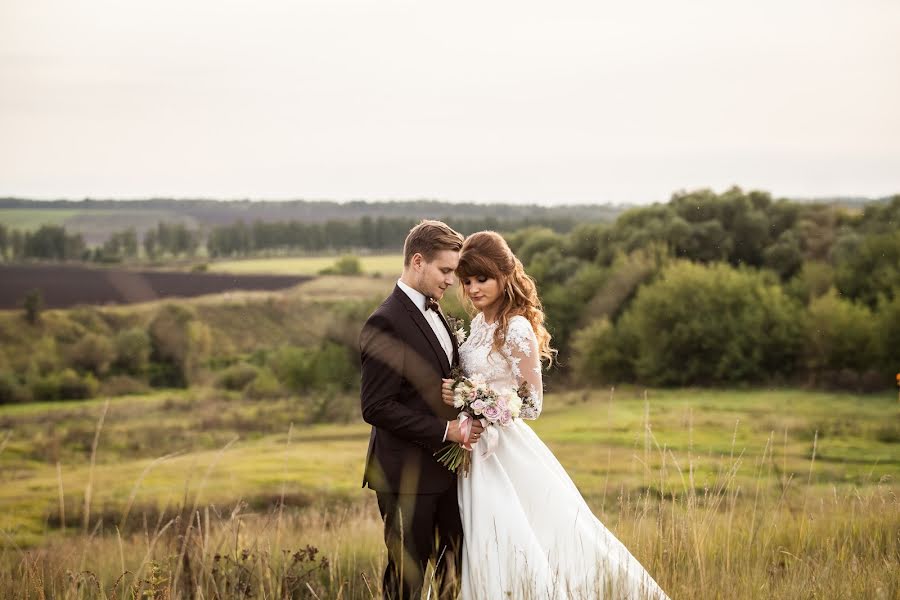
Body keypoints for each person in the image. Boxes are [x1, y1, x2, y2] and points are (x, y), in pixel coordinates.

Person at [442, 231, 670, 599]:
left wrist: (484, 406)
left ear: (504, 274)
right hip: (474, 450)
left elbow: (531, 402)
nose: (472, 289)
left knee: (528, 533)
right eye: (466, 282)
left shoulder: (515, 327)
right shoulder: (480, 326)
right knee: (484, 537)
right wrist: (461, 397)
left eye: (481, 279)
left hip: (504, 450)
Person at [360, 220, 485, 599]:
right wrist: (447, 432)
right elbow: (376, 407)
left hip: (445, 473)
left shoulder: (436, 311)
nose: (452, 281)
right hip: (405, 479)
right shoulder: (386, 321)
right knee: (407, 582)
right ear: (418, 261)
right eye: (446, 271)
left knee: (454, 572)